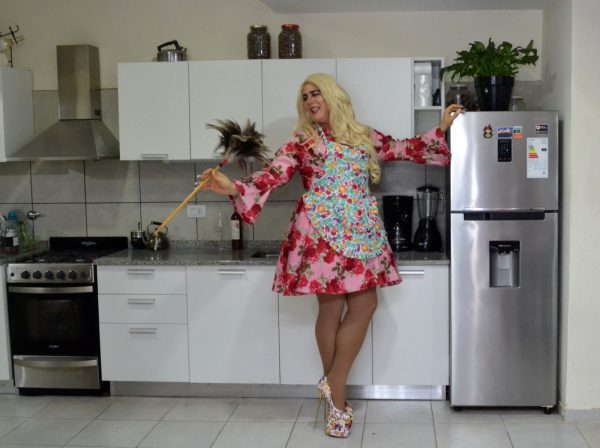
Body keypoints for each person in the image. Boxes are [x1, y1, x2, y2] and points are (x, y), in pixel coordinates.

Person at [199, 73, 463, 438]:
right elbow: (273, 174)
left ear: (332, 96)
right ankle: (337, 403)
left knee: (365, 305)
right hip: (321, 232)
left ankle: (333, 381)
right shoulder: (302, 141)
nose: (310, 101)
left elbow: (405, 148)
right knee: (330, 309)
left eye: (316, 93)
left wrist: (442, 127)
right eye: (305, 96)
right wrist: (232, 186)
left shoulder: (363, 135)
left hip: (360, 230)